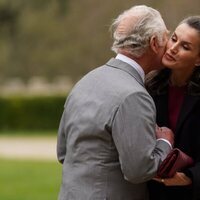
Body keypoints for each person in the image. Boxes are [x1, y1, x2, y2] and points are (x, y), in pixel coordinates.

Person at [57, 5, 174, 200]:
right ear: (154, 42)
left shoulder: (85, 82)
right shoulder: (134, 96)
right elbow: (139, 171)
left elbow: (63, 153)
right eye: (167, 37)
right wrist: (164, 142)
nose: (170, 44)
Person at [146, 16, 200, 200]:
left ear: (198, 59)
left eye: (185, 47)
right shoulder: (147, 87)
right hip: (149, 192)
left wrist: (189, 177)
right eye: (174, 39)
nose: (173, 48)